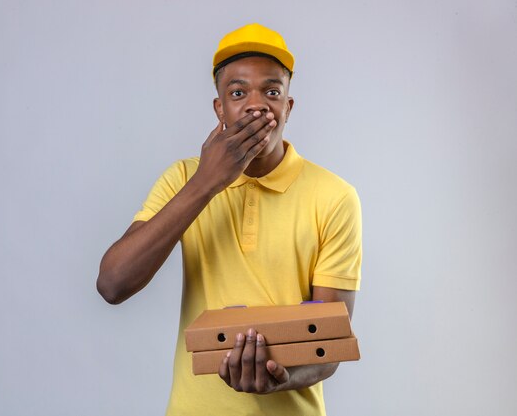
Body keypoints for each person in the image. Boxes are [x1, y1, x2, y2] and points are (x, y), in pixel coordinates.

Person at [97, 23, 362, 416]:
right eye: (238, 93)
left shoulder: (334, 196)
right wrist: (207, 182)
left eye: (272, 92)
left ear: (287, 107)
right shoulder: (184, 178)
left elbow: (329, 344)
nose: (256, 105)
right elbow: (112, 283)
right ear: (220, 108)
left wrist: (282, 376)